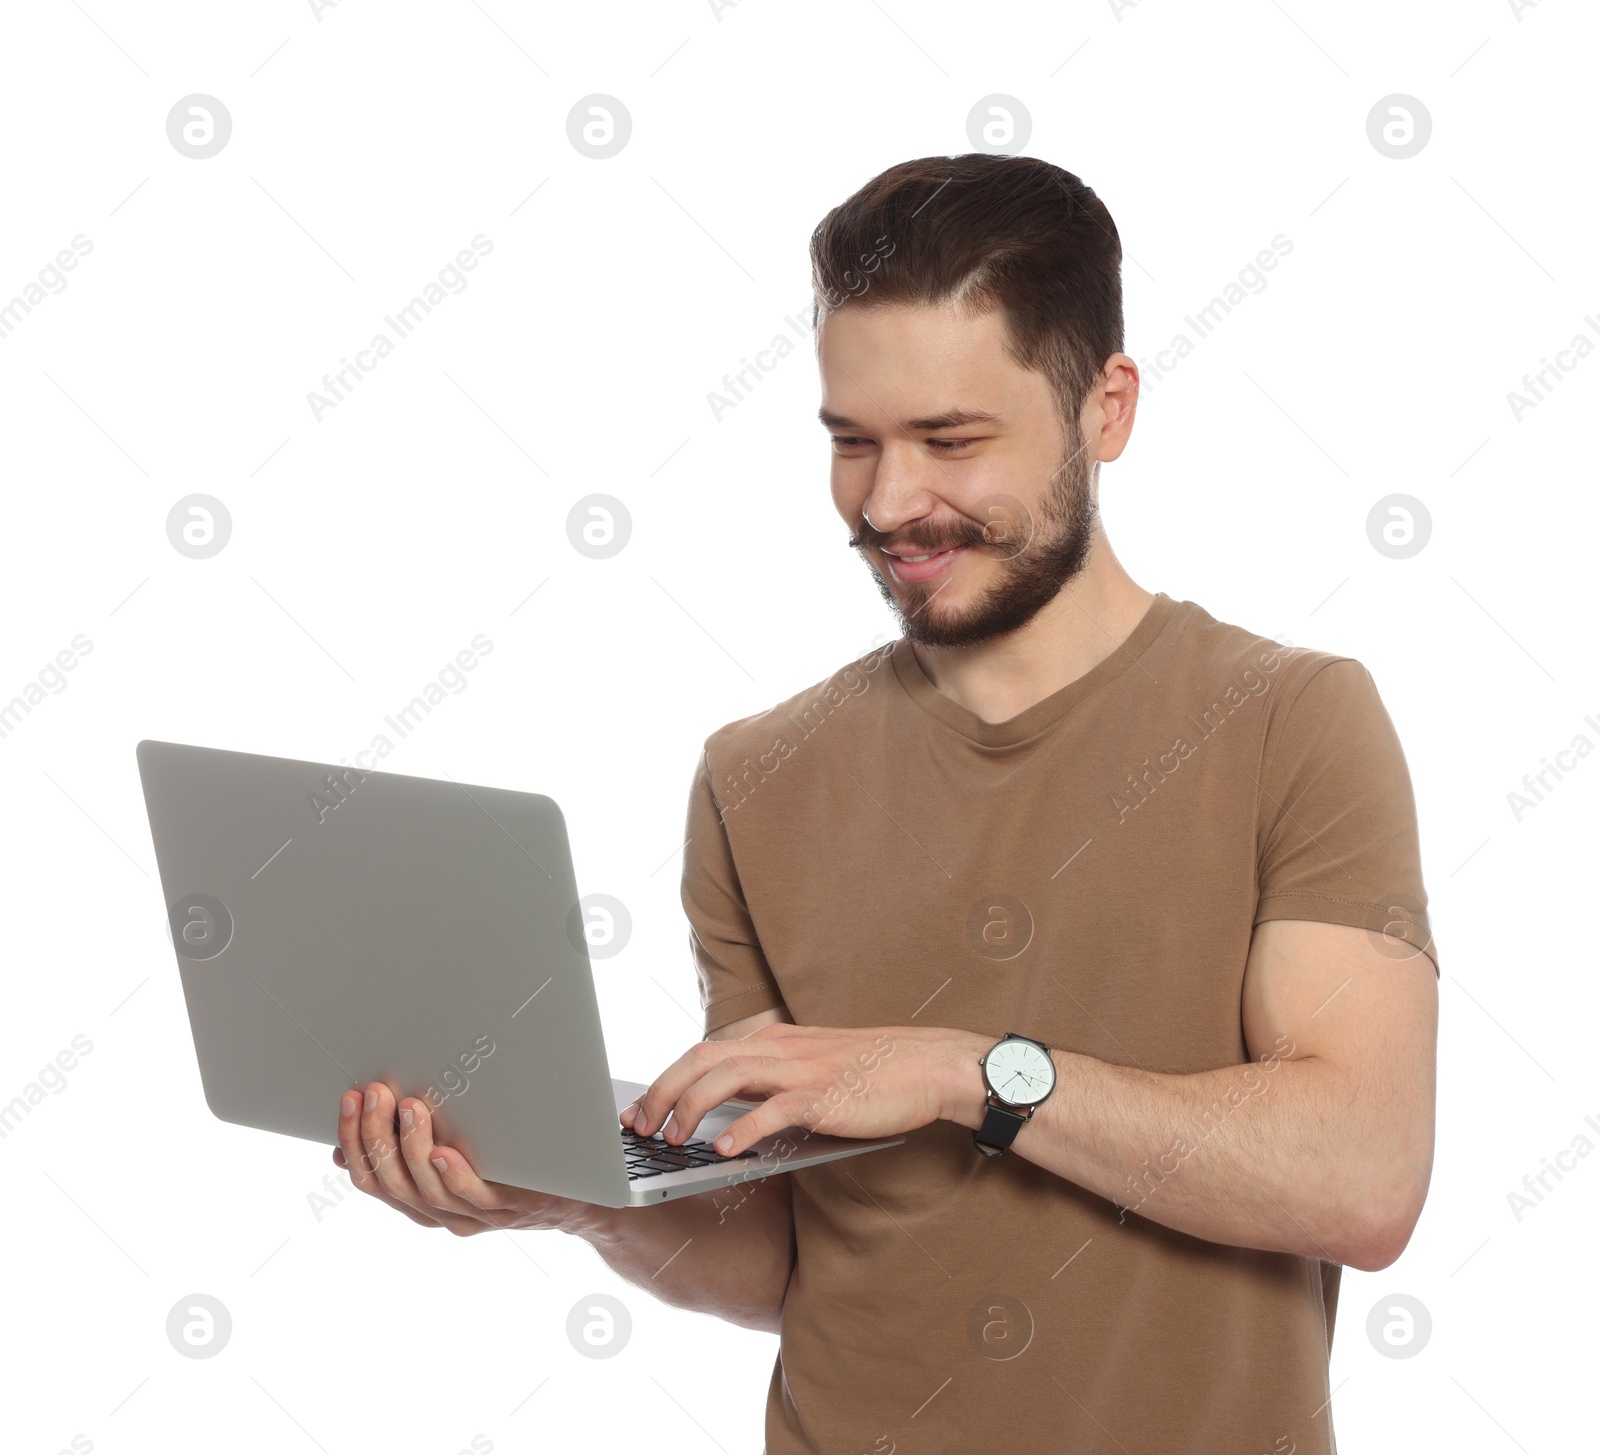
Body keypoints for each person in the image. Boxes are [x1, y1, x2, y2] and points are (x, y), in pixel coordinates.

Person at [332, 153, 1439, 1455]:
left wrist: (967, 1074)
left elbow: (1364, 1176)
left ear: (1107, 410)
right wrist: (567, 1199)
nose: (890, 502)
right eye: (853, 442)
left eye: (952, 440)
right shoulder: (755, 777)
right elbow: (778, 1259)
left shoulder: (1289, 721)